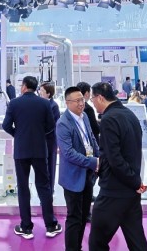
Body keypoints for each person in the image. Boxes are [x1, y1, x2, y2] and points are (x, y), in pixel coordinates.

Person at [88, 82, 147, 251]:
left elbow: (114, 159)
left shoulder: (109, 119)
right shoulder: (129, 114)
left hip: (114, 191)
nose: (92, 103)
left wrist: (134, 181)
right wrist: (135, 182)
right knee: (137, 241)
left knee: (97, 242)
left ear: (100, 98)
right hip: (131, 191)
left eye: (92, 99)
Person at [1, 76, 61, 240]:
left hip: (21, 150)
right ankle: (51, 225)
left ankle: (26, 227)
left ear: (24, 86)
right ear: (35, 88)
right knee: (44, 186)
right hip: (40, 150)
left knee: (23, 187)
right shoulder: (45, 103)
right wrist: (39, 134)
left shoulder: (14, 103)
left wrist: (18, 134)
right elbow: (51, 126)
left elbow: (6, 125)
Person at [57, 86, 100, 251]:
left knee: (83, 216)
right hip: (73, 177)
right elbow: (68, 153)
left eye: (82, 99)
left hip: (87, 175)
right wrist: (93, 162)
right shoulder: (63, 123)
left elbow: (92, 139)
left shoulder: (85, 116)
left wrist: (99, 156)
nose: (81, 103)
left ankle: (78, 247)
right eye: (77, 101)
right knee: (74, 217)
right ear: (67, 103)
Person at [39, 82, 60, 195]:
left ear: (48, 93)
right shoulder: (40, 104)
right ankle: (43, 191)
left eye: (42, 91)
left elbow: (54, 125)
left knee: (50, 166)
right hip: (40, 141)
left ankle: (50, 191)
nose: (40, 93)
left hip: (50, 141)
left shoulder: (54, 106)